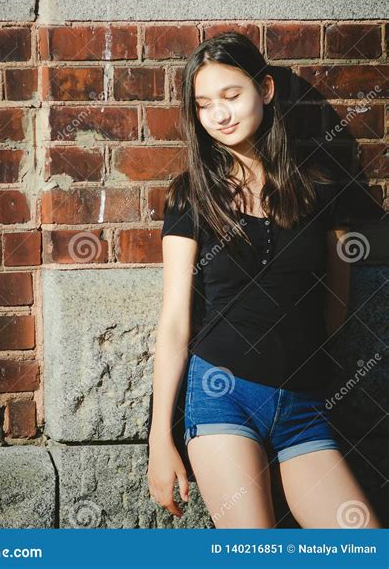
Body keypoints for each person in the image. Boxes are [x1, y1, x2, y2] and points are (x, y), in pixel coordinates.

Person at [147, 31, 383, 528]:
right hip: (221, 396)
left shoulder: (319, 187)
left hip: (303, 405)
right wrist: (158, 440)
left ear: (266, 90)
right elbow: (173, 323)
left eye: (232, 96)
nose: (220, 114)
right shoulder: (190, 197)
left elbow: (336, 307)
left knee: (363, 544)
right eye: (205, 104)